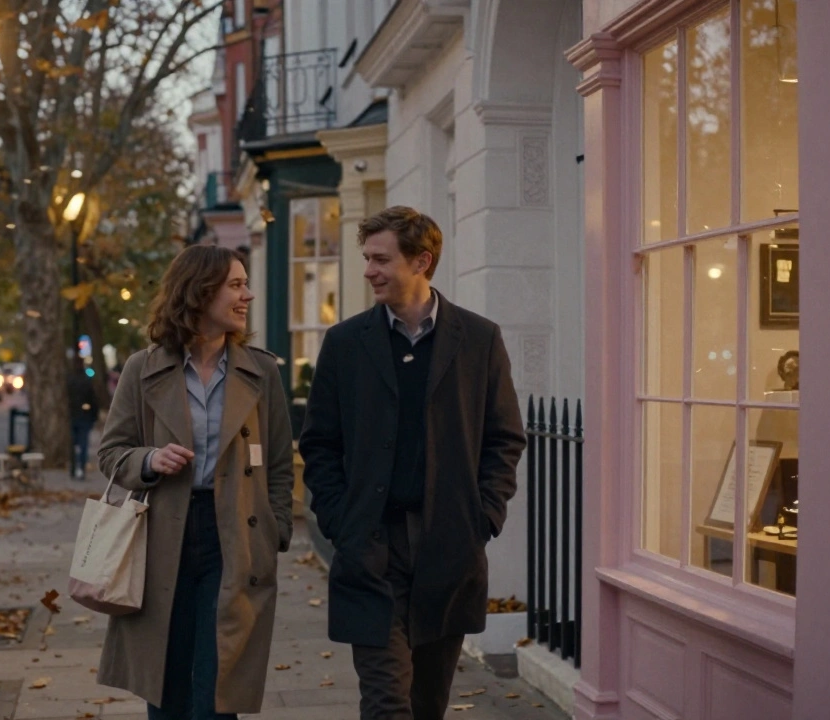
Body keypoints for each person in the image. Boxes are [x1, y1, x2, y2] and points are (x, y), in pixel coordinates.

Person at [298, 206, 527, 720]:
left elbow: (504, 438)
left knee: (427, 704)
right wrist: (339, 520)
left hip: (448, 546)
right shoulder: (343, 344)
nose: (368, 270)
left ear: (421, 261)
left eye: (381, 259)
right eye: (367, 258)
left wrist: (482, 518)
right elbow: (319, 444)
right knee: (385, 703)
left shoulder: (479, 339)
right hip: (370, 546)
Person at [96, 245, 294, 720]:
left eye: (245, 284)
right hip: (163, 533)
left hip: (235, 536)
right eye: (236, 284)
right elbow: (110, 453)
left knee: (219, 684)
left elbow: (283, 464)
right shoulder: (144, 369)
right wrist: (149, 459)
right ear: (200, 291)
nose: (247, 295)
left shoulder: (261, 371)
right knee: (165, 682)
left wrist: (275, 530)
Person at [67, 357, 99, 479]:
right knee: (83, 443)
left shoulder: (69, 380)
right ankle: (81, 468)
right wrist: (94, 416)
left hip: (72, 415)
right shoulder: (86, 380)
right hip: (84, 416)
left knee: (72, 444)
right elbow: (93, 399)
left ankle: (73, 468)